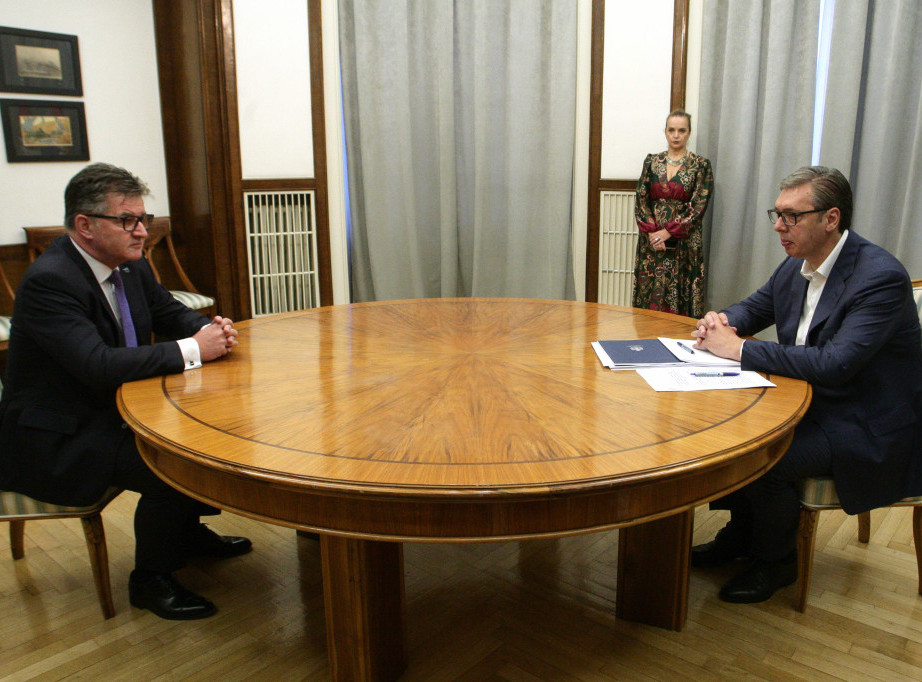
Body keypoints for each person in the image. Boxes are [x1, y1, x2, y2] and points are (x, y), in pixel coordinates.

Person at [0, 163, 252, 620]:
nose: (142, 232)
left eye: (143, 219)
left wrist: (211, 329)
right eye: (128, 220)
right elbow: (96, 365)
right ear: (85, 225)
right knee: (171, 465)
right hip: (60, 434)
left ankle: (186, 534)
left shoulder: (129, 265)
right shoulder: (50, 281)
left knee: (205, 434)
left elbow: (169, 313)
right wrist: (192, 349)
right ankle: (150, 580)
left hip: (111, 410)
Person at [690, 166, 922, 603]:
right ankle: (741, 537)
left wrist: (739, 349)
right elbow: (754, 308)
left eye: (791, 216)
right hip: (812, 403)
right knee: (734, 435)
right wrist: (720, 321)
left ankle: (777, 562)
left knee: (767, 457)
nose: (779, 226)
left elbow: (836, 364)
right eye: (777, 214)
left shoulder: (880, 278)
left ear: (831, 219)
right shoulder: (799, 263)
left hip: (865, 421)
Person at [633, 109, 714, 318]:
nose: (676, 135)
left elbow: (699, 204)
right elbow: (641, 199)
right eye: (671, 130)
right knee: (650, 297)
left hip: (684, 242)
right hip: (652, 243)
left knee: (679, 297)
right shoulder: (651, 162)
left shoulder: (701, 165)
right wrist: (653, 233)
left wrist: (668, 232)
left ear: (689, 133)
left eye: (681, 130)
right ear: (665, 132)